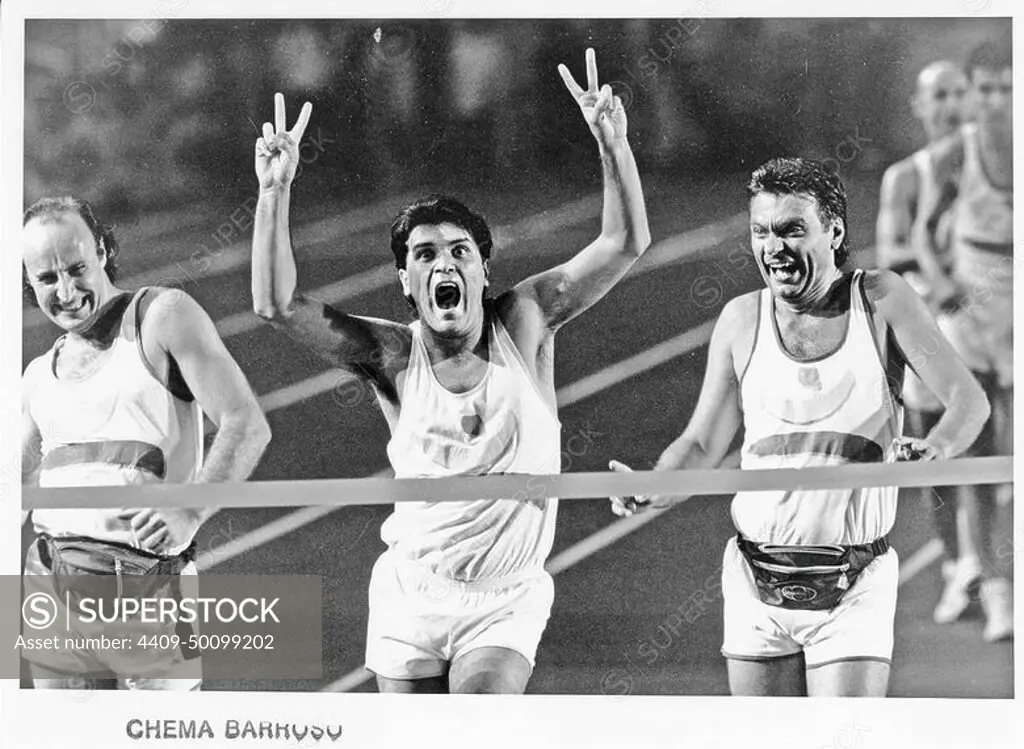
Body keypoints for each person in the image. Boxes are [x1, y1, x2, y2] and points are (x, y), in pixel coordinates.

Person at [250, 48, 650, 694]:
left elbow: (624, 242)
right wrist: (275, 191)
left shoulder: (525, 321)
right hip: (413, 592)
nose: (445, 263)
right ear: (407, 279)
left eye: (460, 251)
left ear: (482, 271)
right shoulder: (392, 357)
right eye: (425, 254)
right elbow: (275, 305)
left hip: (503, 598)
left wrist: (614, 146)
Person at [610, 157, 989, 697]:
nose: (774, 247)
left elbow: (967, 401)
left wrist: (936, 448)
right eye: (761, 231)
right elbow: (700, 443)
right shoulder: (742, 320)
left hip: (853, 581)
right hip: (754, 579)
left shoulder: (881, 300)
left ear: (834, 231)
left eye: (792, 229)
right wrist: (653, 489)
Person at [21, 196, 272, 690]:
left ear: (103, 251)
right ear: (27, 282)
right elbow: (15, 481)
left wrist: (190, 510)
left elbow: (245, 422)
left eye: (77, 269)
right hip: (50, 585)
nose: (67, 292)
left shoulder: (162, 316)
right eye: (47, 279)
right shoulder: (36, 376)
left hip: (146, 590)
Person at [912, 39, 1013, 643]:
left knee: (1012, 469)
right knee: (980, 463)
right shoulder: (955, 153)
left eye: (1009, 87)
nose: (997, 100)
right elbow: (925, 234)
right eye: (987, 89)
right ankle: (993, 587)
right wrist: (944, 281)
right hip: (972, 313)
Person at [875, 61, 974, 626]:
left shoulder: (1002, 169)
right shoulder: (906, 176)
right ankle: (956, 565)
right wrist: (941, 293)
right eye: (939, 95)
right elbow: (893, 259)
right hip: (936, 323)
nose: (951, 105)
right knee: (933, 448)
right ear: (918, 106)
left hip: (999, 324)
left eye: (960, 93)